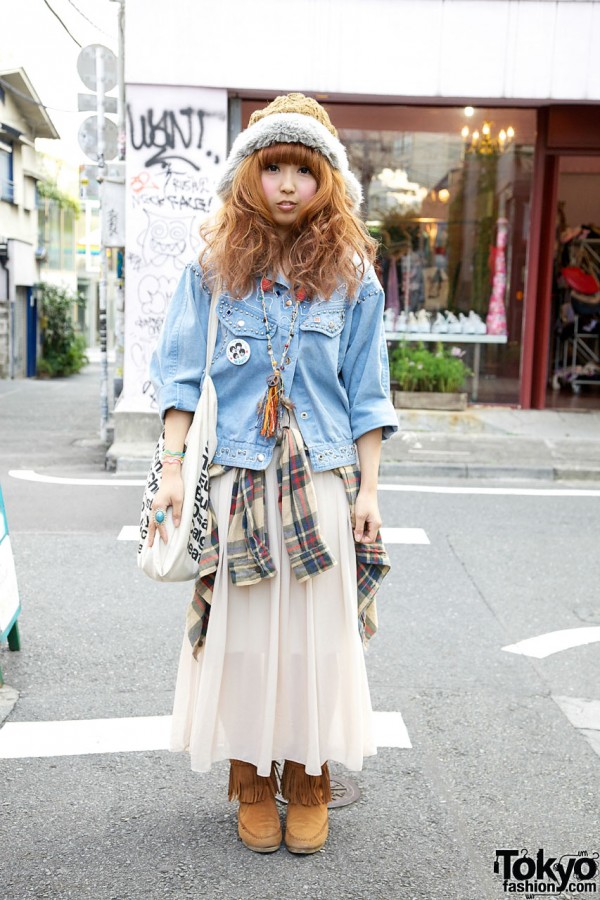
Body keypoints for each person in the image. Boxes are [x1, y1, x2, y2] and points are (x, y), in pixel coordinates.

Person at [148, 93, 398, 855]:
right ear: (249, 176)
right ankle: (252, 776)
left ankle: (309, 772)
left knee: (317, 641)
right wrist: (167, 469)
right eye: (274, 167)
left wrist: (371, 492)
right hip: (238, 479)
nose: (288, 184)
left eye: (304, 169)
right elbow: (181, 377)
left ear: (328, 181)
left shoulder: (354, 275)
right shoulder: (212, 268)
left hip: (320, 478)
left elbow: (368, 397)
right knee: (248, 637)